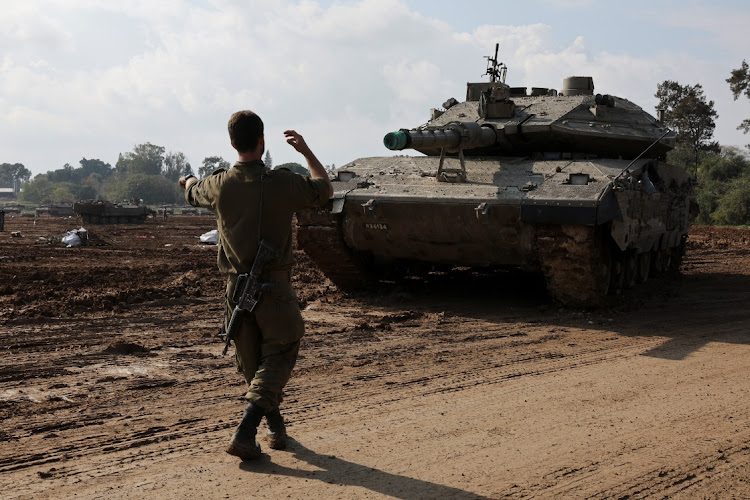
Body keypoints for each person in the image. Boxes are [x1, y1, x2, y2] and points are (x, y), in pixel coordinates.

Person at [179, 110, 333, 460]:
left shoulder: (218, 185)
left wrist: (187, 180)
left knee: (252, 364)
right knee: (279, 353)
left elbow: (191, 191)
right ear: (262, 142)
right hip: (274, 290)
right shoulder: (283, 182)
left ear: (232, 143)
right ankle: (247, 430)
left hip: (236, 292)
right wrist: (306, 152)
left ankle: (276, 429)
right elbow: (324, 189)